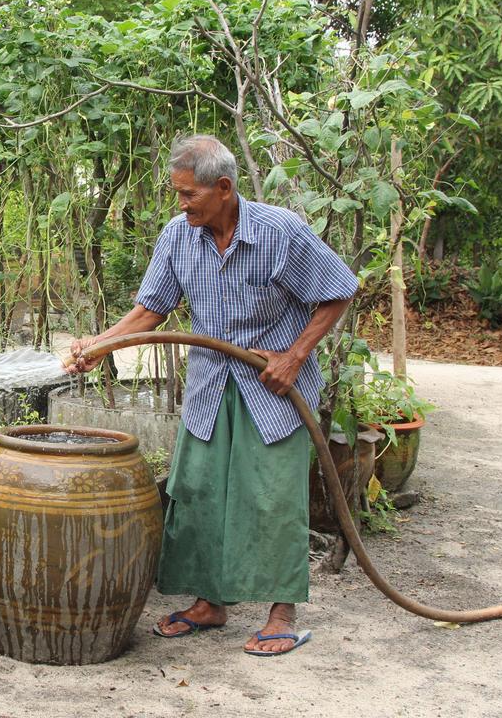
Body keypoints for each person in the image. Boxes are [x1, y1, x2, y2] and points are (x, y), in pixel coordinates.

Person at [66, 134, 357, 656]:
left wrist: (293, 356)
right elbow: (148, 310)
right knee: (197, 491)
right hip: (209, 385)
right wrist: (100, 346)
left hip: (274, 388)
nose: (180, 205)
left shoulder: (280, 232)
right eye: (177, 195)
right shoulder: (179, 236)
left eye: (187, 195)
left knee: (270, 497)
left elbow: (337, 292)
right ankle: (211, 603)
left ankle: (281, 613)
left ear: (223, 188)